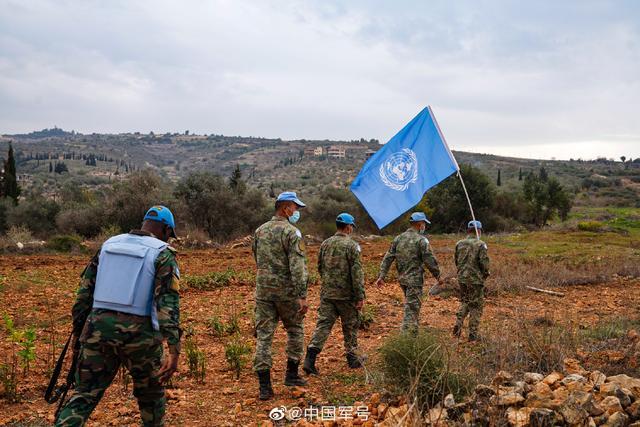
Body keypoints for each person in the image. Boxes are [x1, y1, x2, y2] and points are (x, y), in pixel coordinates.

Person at [56, 206, 181, 427]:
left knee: (84, 395)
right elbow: (167, 305)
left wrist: (79, 335)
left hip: (97, 330)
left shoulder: (108, 245)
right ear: (165, 229)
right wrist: (174, 348)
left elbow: (83, 296)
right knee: (151, 398)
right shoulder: (163, 253)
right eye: (170, 234)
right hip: (140, 337)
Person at [252, 191, 308, 400]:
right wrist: (302, 295)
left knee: (264, 336)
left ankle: (264, 387)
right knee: (295, 330)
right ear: (286, 208)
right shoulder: (292, 233)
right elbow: (297, 267)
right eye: (295, 208)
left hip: (264, 292)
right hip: (286, 293)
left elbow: (257, 258)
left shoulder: (260, 231)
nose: (296, 212)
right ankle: (291, 375)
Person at [303, 213, 365, 375]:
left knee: (323, 325)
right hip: (346, 296)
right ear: (348, 227)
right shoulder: (352, 246)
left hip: (328, 294)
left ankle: (310, 359)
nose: (352, 229)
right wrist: (360, 296)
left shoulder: (325, 244)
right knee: (350, 326)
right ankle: (352, 359)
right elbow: (357, 273)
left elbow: (320, 267)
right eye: (352, 226)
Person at [375, 212, 440, 332]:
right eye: (424, 223)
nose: (424, 226)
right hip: (414, 281)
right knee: (411, 309)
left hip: (403, 280)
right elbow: (429, 260)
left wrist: (382, 276)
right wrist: (439, 276)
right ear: (420, 224)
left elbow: (388, 258)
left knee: (412, 307)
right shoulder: (421, 240)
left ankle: (413, 332)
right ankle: (406, 338)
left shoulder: (398, 238)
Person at [453, 220, 490, 341]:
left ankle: (458, 324)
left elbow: (457, 261)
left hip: (462, 278)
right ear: (478, 230)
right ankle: (473, 334)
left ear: (468, 230)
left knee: (465, 301)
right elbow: (484, 264)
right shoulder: (481, 244)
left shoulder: (459, 243)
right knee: (476, 306)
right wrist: (485, 275)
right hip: (475, 280)